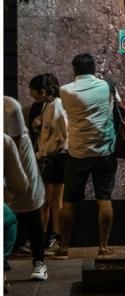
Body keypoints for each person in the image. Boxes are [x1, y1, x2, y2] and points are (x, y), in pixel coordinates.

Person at [55, 54, 117, 260]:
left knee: (69, 201)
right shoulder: (106, 86)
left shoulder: (65, 90)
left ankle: (64, 247)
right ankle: (104, 246)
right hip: (104, 151)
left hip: (77, 152)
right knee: (104, 198)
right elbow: (116, 105)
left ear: (74, 70)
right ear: (94, 68)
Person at [4, 115, 47, 281]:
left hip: (23, 188)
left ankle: (39, 262)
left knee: (32, 219)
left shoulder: (17, 139)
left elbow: (22, 180)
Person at [29, 74, 67, 253]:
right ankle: (44, 239)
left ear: (43, 92)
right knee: (46, 201)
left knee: (54, 201)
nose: (33, 97)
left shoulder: (56, 106)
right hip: (47, 157)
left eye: (34, 93)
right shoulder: (48, 105)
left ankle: (58, 239)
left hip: (56, 158)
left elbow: (60, 138)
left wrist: (41, 153)